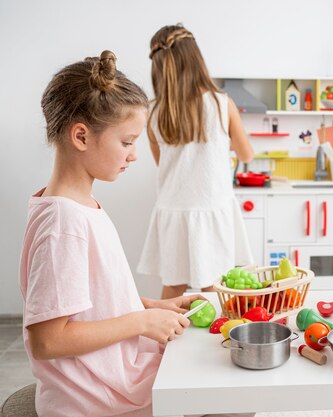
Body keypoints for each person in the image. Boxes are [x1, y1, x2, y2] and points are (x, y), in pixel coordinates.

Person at [19, 51, 206, 417]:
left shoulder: (75, 206)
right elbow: (47, 339)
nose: (134, 155)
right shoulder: (64, 222)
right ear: (81, 136)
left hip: (109, 379)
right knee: (226, 393)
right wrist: (141, 322)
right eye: (127, 142)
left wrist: (151, 306)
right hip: (94, 400)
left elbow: (86, 298)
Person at [137, 24, 255, 299]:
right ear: (196, 60)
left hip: (173, 210)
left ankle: (162, 339)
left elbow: (161, 164)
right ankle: (213, 340)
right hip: (211, 207)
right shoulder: (220, 103)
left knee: (174, 286)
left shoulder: (152, 112)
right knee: (213, 288)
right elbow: (247, 154)